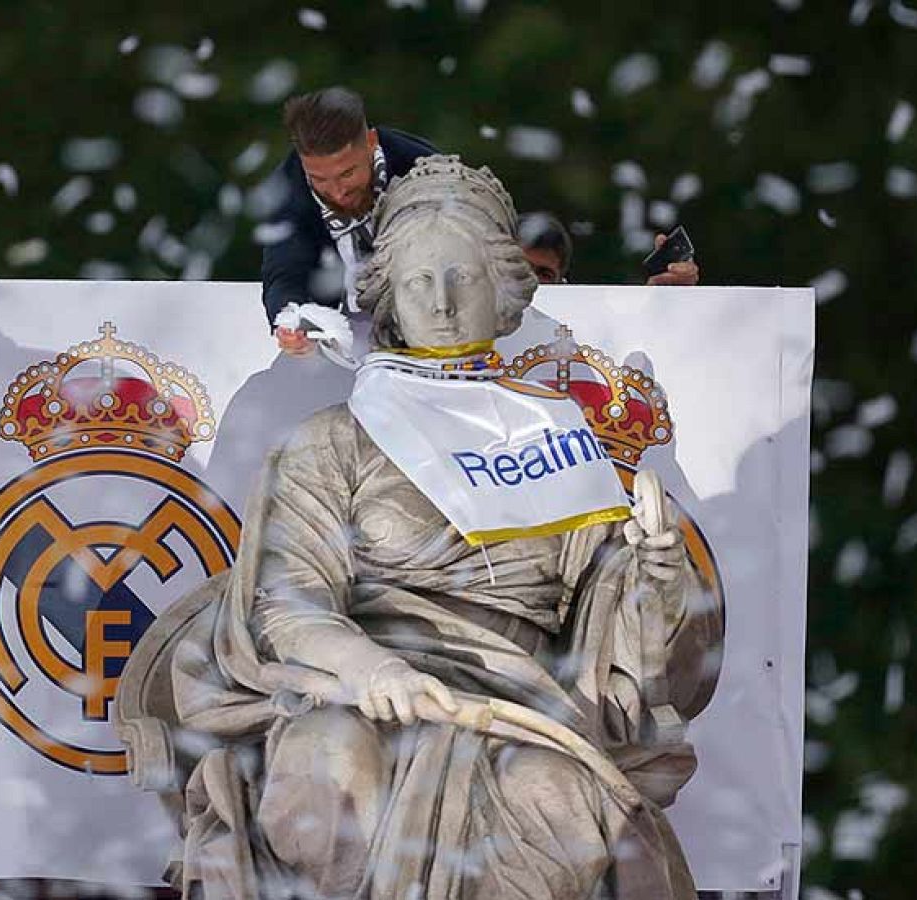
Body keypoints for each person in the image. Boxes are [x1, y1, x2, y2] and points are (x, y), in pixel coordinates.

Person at [120, 156, 722, 900]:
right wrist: (372, 669)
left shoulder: (557, 436)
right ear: (388, 301)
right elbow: (286, 602)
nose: (440, 302)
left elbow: (613, 635)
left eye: (462, 277)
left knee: (555, 795)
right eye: (417, 281)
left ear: (504, 295)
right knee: (327, 765)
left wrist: (658, 581)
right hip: (356, 692)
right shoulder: (328, 441)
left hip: (522, 704)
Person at [259, 86, 438, 355]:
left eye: (347, 173)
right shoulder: (287, 191)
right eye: (319, 179)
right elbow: (284, 271)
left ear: (371, 142)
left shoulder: (425, 169)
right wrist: (290, 321)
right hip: (338, 340)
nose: (337, 192)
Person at [518, 211, 701, 286]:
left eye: (544, 274)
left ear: (561, 283)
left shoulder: (575, 331)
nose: (529, 279)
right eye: (518, 266)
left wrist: (672, 299)